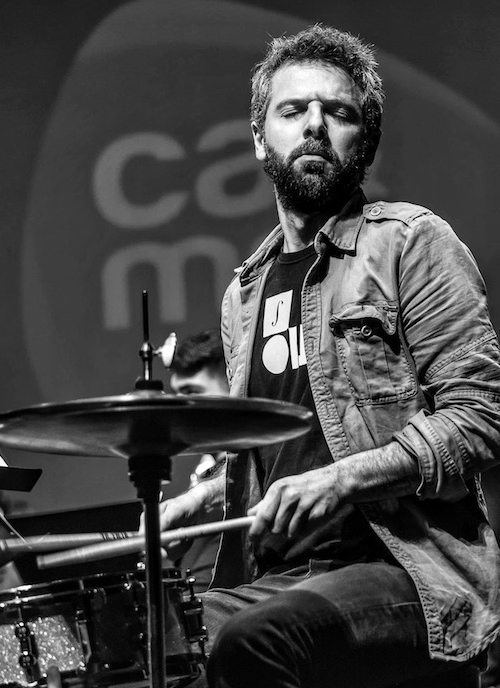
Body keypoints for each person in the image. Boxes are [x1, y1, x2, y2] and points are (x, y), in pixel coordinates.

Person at [154, 23, 500, 688]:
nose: (314, 126)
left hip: (407, 571)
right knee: (154, 641)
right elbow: (282, 459)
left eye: (338, 112)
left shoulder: (412, 242)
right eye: (292, 110)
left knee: (255, 640)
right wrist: (190, 508)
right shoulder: (244, 293)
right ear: (260, 139)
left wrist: (342, 480)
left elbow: (480, 420)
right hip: (282, 580)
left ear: (363, 143)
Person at [169, 329, 228, 592]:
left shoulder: (254, 479)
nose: (180, 407)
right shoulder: (205, 468)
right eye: (177, 395)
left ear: (233, 386)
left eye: (192, 391)